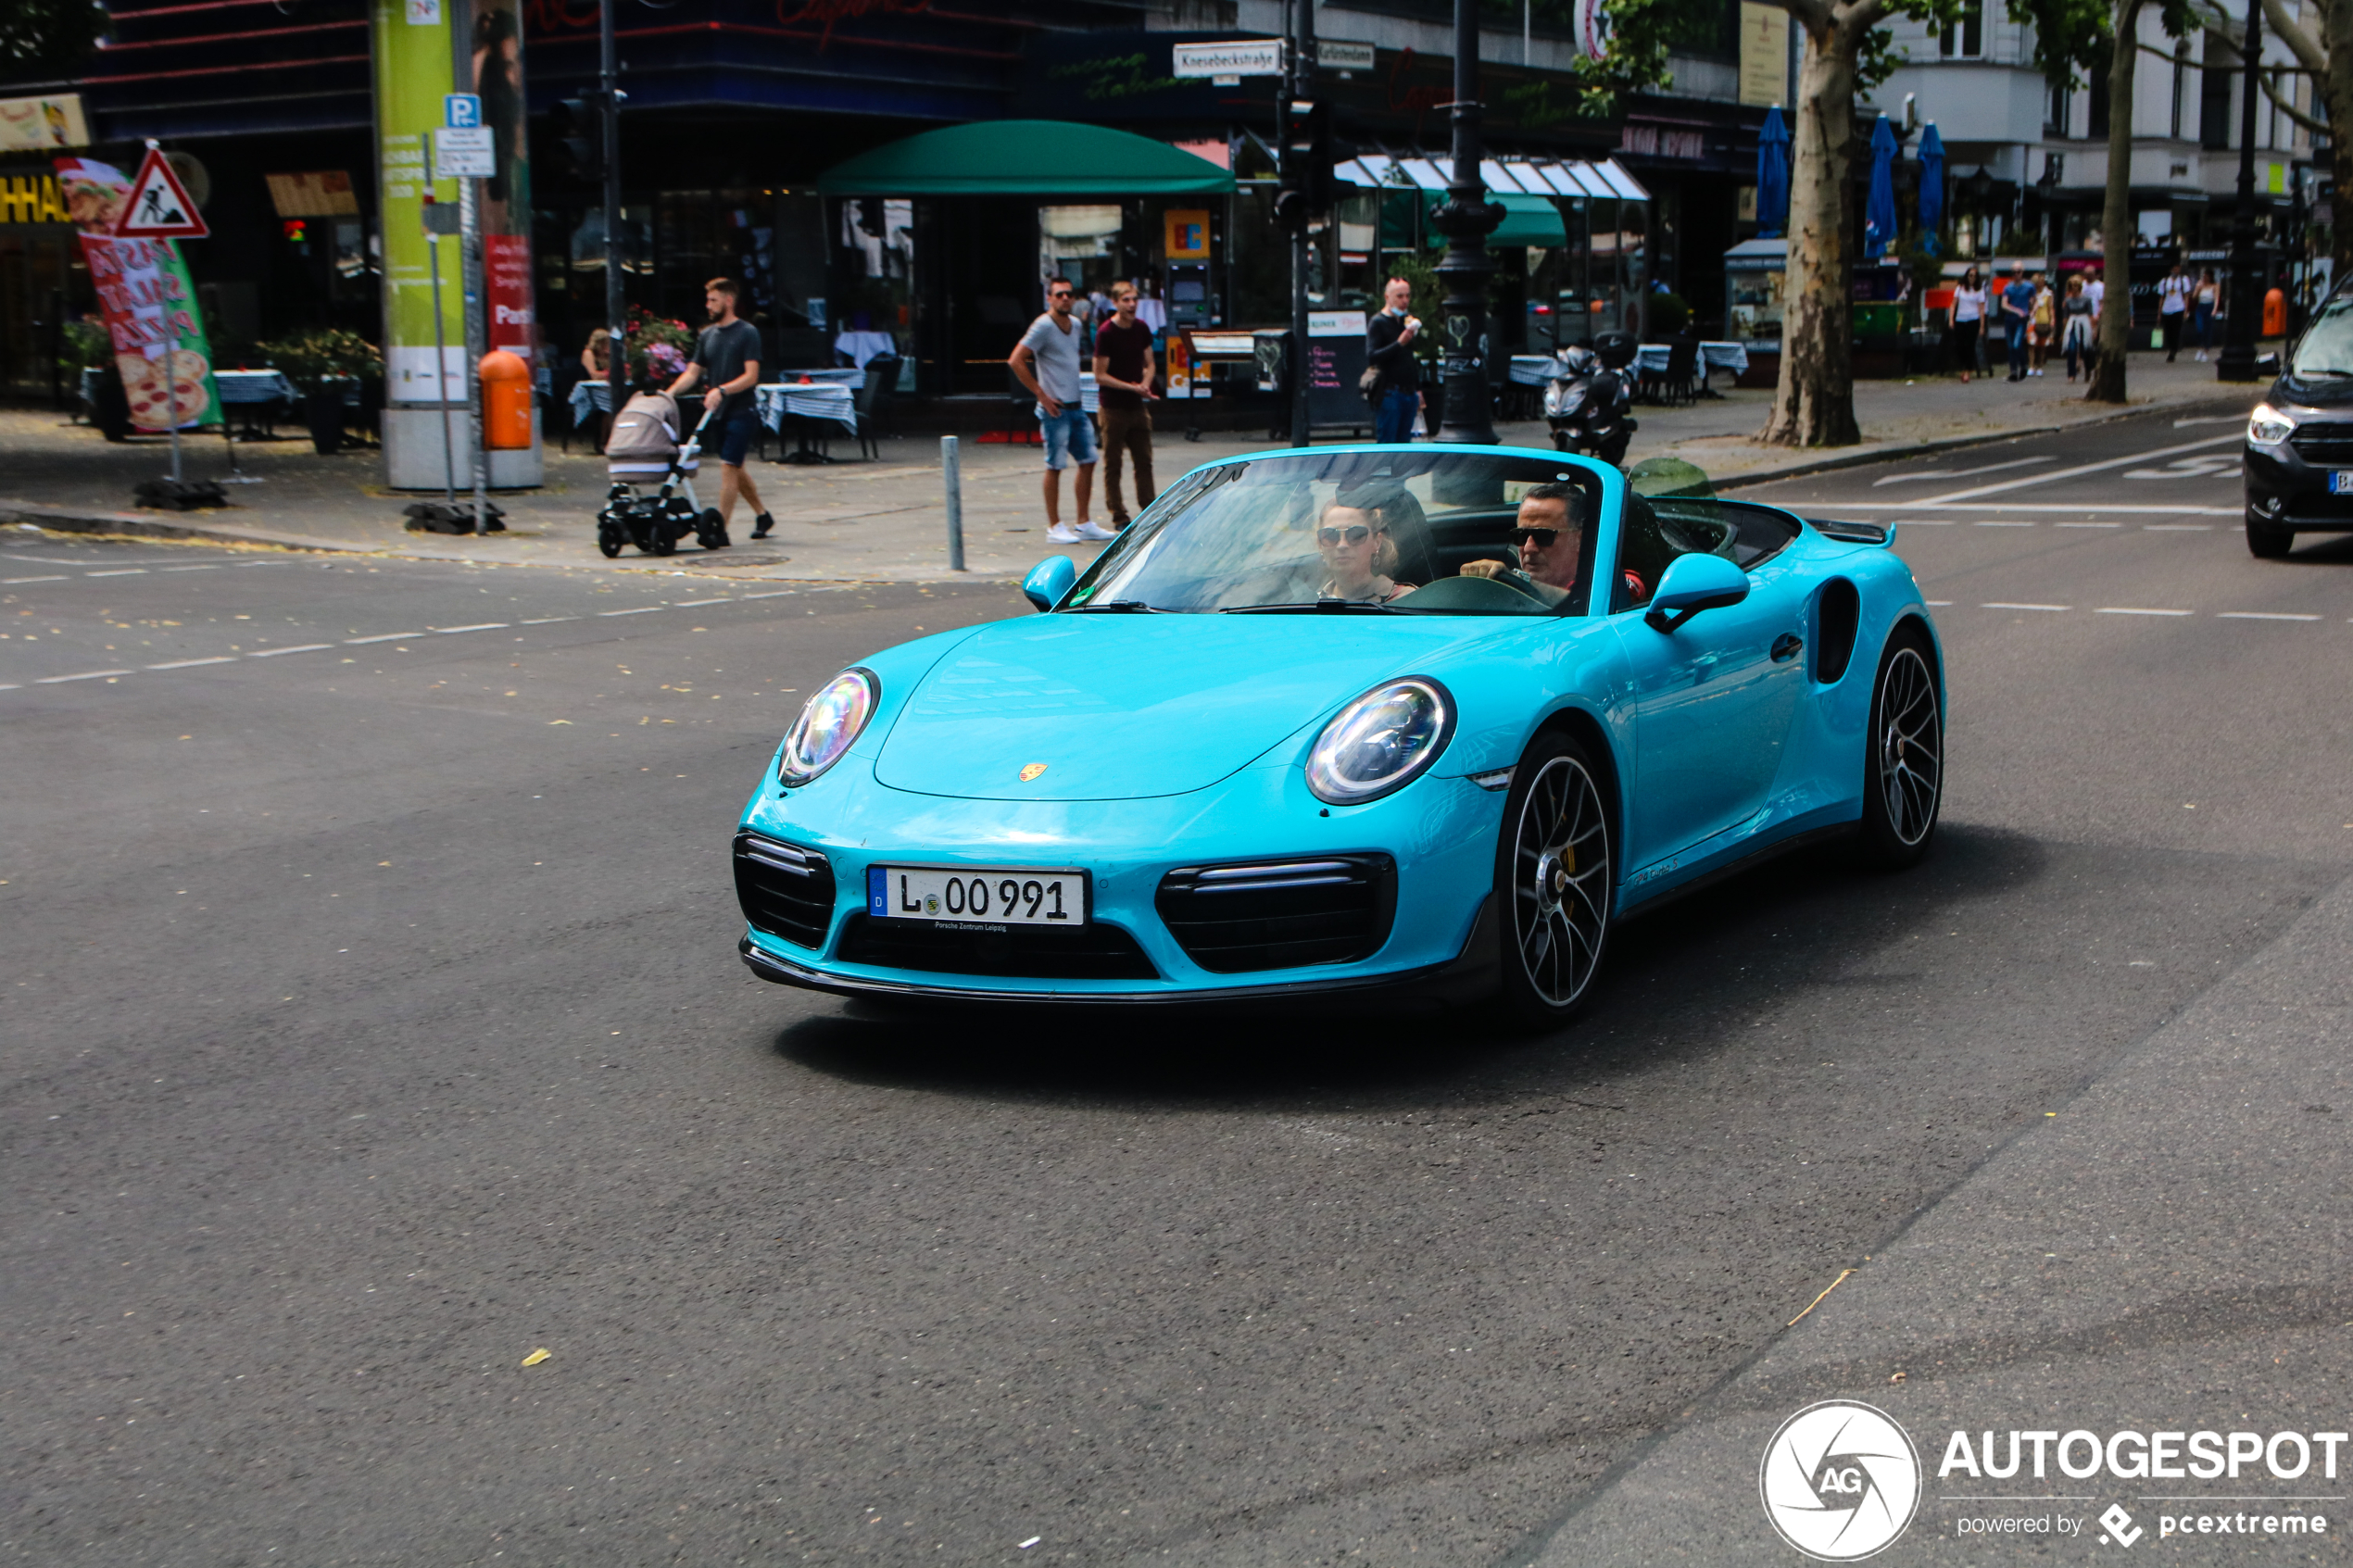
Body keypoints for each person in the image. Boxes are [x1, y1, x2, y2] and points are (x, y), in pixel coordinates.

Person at [664, 276, 771, 544]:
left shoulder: (747, 333)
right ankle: (763, 515)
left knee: (727, 468)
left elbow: (751, 375)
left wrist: (721, 390)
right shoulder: (708, 335)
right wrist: (669, 394)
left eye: (713, 300)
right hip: (718, 413)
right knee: (735, 468)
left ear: (729, 300)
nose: (708, 305)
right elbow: (692, 372)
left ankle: (719, 530)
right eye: (708, 300)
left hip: (741, 411)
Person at [1010, 276, 1113, 545]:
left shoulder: (1076, 324)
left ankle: (1083, 521)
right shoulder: (1043, 325)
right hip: (1055, 409)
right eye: (1059, 295)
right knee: (1054, 465)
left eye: (1069, 294)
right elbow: (1016, 359)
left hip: (1076, 405)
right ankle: (1054, 525)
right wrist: (1041, 395)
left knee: (1089, 460)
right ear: (1050, 298)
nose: (1065, 298)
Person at [1091, 282, 1157, 529]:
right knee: (1113, 463)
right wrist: (1133, 387)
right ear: (1115, 303)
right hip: (1113, 407)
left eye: (1134, 300)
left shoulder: (1141, 328)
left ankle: (1149, 507)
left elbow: (1150, 363)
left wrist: (1145, 385)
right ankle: (1118, 514)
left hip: (1137, 406)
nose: (1131, 305)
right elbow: (1100, 374)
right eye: (1126, 300)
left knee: (1144, 460)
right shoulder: (1106, 332)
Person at [1459, 483, 1585, 605]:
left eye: (1543, 536)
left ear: (1579, 540)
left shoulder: (1599, 589)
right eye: (1521, 535)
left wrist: (1515, 580)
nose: (1528, 547)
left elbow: (1578, 603)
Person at [1314, 498, 1417, 603]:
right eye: (1330, 535)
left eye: (1356, 534)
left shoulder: (1409, 600)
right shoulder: (1309, 604)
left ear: (1377, 542)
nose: (1342, 545)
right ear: (1320, 545)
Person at [1365, 278, 1424, 443]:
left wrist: (1417, 389)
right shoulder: (1378, 323)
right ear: (1387, 297)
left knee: (1405, 444)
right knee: (1388, 443)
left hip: (1408, 392)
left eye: (1407, 296)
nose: (1405, 301)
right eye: (1399, 296)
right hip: (1390, 393)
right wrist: (1399, 343)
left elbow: (1409, 357)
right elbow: (1372, 355)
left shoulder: (1405, 322)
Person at [2057, 274, 2097, 383]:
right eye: (2072, 286)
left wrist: (2094, 329)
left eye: (2076, 285)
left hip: (2084, 322)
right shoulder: (2068, 301)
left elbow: (2091, 315)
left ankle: (2088, 370)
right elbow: (2065, 317)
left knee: (2086, 349)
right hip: (2072, 323)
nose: (2074, 288)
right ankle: (2071, 374)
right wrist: (2063, 332)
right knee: (2072, 349)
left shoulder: (2087, 299)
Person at [579, 327, 613, 450]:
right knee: (609, 406)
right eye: (605, 343)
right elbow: (593, 374)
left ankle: (612, 439)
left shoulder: (606, 355)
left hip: (604, 389)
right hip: (589, 391)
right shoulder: (588, 353)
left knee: (615, 402)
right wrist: (609, 373)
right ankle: (604, 441)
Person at [2000, 263, 2034, 383]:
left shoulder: (2029, 286)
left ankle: (2023, 365)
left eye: (2018, 271)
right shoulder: (2008, 287)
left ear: (2023, 272)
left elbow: (2033, 301)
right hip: (2010, 319)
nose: (2016, 274)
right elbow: (2004, 304)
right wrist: (2016, 310)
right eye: (2014, 272)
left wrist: (2030, 310)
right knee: (2010, 347)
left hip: (2021, 320)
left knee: (2016, 344)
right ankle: (2013, 372)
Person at [1951, 268, 1985, 384]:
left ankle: (1967, 371)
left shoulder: (1979, 291)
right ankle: (1963, 367)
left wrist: (1982, 326)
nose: (1972, 278)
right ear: (1966, 276)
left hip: (1973, 319)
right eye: (1970, 275)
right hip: (1961, 319)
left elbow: (1981, 309)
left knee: (1970, 345)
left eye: (1974, 276)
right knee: (1960, 345)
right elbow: (1953, 304)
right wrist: (1951, 319)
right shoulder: (1960, 289)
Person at [2158, 260, 2191, 361]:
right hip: (2167, 308)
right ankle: (2171, 346)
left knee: (2176, 330)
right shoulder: (2164, 281)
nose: (2177, 271)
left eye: (2178, 269)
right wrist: (2159, 312)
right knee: (2168, 331)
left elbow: (2186, 296)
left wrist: (2186, 310)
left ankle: (2173, 351)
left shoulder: (2183, 280)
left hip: (2178, 307)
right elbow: (2162, 297)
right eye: (2175, 269)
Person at [2029, 272, 2055, 377]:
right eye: (2038, 282)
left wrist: (2052, 321)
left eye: (2042, 282)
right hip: (2032, 321)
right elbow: (2029, 306)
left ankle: (2040, 366)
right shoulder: (2031, 294)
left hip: (2044, 321)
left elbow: (2050, 308)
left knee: (2042, 346)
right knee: (2032, 344)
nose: (2040, 284)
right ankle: (2031, 366)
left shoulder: (2048, 294)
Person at [2194, 268, 2220, 360]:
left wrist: (2214, 309)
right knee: (2200, 328)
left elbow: (2216, 298)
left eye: (2206, 276)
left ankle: (2206, 350)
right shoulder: (2201, 285)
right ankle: (2200, 348)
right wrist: (2197, 289)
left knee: (2207, 329)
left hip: (2209, 306)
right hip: (2201, 307)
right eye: (2204, 276)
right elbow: (2194, 297)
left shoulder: (2215, 285)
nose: (2205, 278)